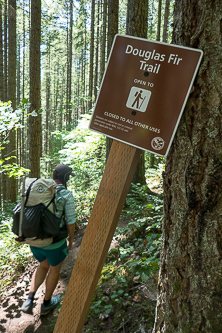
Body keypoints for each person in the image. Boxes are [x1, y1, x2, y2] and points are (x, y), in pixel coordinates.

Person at [21, 164, 76, 315]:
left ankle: (29, 299)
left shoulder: (39, 189)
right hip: (54, 242)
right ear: (65, 178)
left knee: (42, 266)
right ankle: (46, 304)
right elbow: (70, 221)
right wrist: (71, 240)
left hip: (34, 240)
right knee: (54, 270)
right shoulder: (66, 195)